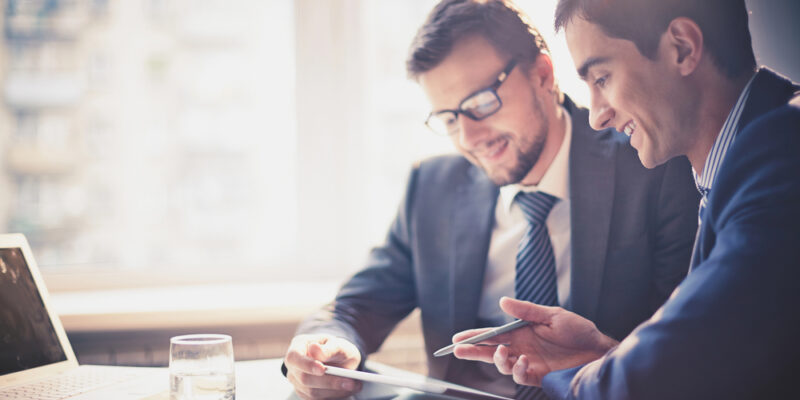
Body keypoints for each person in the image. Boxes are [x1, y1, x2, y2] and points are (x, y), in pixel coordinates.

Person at [282, 0, 699, 398]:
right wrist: (324, 345)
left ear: (542, 74)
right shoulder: (432, 188)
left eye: (481, 103)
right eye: (448, 118)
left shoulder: (651, 166)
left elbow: (683, 353)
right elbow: (355, 306)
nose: (469, 138)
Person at [450, 0, 800, 398]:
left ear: (682, 48)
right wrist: (604, 356)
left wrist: (586, 378)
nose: (597, 116)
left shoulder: (784, 152)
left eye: (601, 78)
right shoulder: (739, 162)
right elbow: (720, 362)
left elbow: (678, 363)